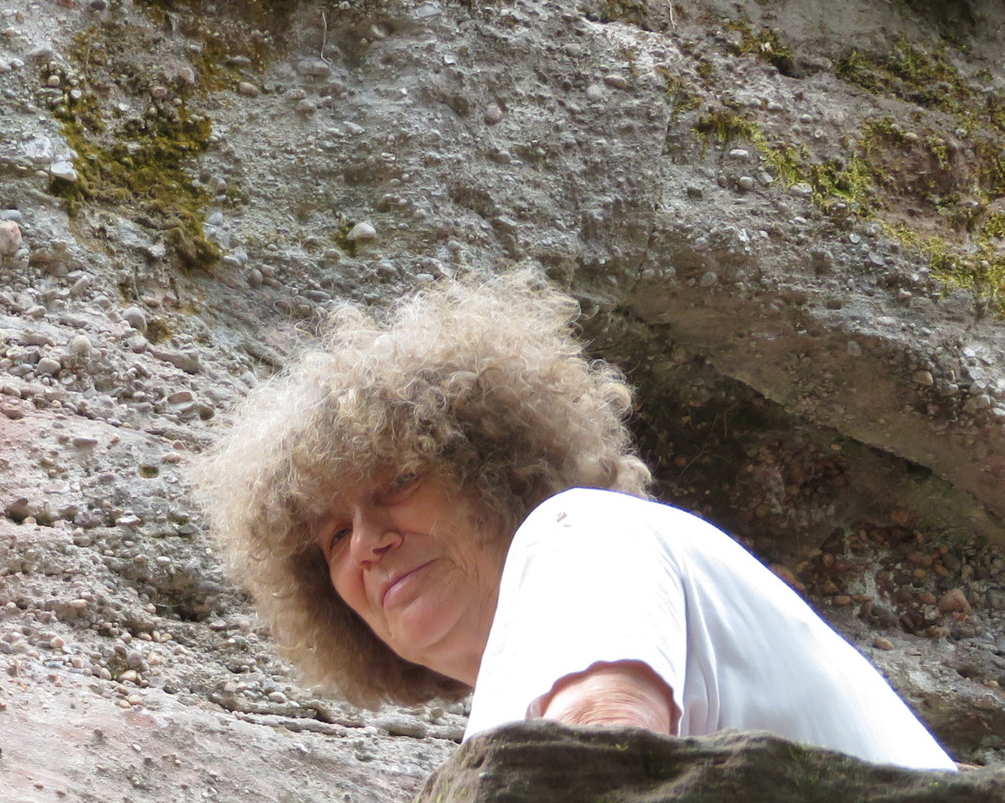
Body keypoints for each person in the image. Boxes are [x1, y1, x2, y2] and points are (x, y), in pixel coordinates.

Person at [189, 269, 955, 769]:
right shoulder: (505, 713)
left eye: (399, 480)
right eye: (332, 536)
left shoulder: (582, 536)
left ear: (493, 465)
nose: (366, 542)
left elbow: (603, 764)